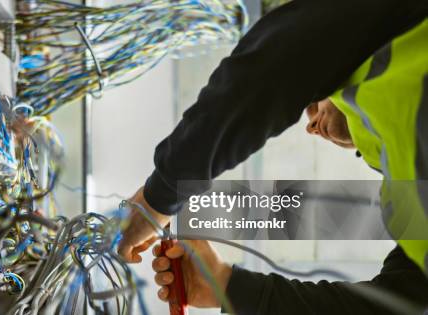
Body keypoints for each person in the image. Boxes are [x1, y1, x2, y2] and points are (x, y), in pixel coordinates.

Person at [117, 0, 428, 313]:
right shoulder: (408, 193)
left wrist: (158, 197)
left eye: (312, 100)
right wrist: (225, 286)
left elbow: (280, 57)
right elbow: (397, 307)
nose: (309, 125)